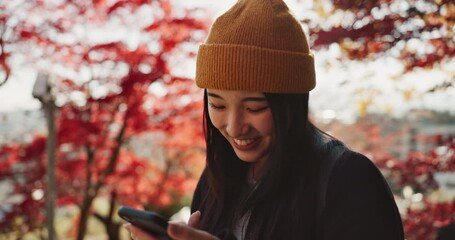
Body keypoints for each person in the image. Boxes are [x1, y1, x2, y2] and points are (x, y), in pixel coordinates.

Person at [124, 0, 405, 239]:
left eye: (255, 107)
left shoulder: (348, 180)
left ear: (292, 104)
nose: (235, 126)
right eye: (217, 104)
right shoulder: (214, 181)